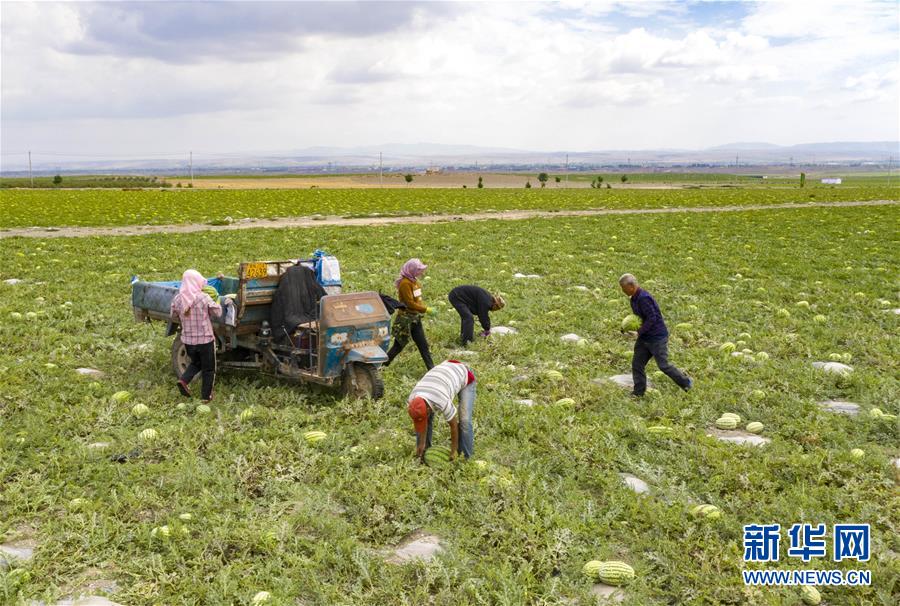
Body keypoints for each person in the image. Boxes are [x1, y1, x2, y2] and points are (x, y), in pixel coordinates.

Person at [619, 273, 692, 397]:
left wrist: (638, 332)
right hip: (644, 338)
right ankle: (638, 392)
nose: (622, 290)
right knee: (637, 365)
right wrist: (625, 328)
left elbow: (652, 318)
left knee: (663, 366)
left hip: (657, 337)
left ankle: (687, 383)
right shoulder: (634, 299)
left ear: (631, 286)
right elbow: (639, 319)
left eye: (623, 287)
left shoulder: (643, 298)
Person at [407, 360, 476, 460]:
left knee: (465, 420)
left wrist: (453, 451)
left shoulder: (441, 400)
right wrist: (421, 444)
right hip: (443, 374)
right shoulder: (412, 400)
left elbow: (453, 425)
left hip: (464, 375)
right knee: (425, 417)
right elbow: (421, 420)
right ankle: (423, 454)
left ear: (428, 407)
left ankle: (465, 459)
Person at [170, 269, 222, 402]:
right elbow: (218, 313)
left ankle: (183, 381)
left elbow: (173, 315)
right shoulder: (203, 298)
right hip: (205, 340)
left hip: (188, 341)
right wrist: (219, 302)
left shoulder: (177, 299)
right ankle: (206, 396)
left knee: (196, 363)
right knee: (209, 369)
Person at [385, 258, 434, 370]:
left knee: (423, 345)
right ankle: (383, 365)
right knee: (398, 346)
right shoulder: (405, 283)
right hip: (405, 319)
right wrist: (426, 309)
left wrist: (421, 309)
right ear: (411, 270)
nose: (421, 272)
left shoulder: (414, 281)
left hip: (415, 318)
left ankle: (431, 369)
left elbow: (417, 299)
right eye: (418, 270)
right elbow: (409, 303)